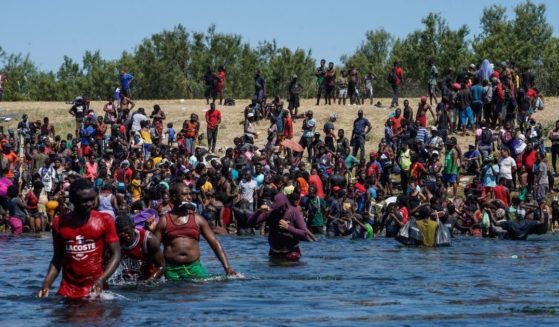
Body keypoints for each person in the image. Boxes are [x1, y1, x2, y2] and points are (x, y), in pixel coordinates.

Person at [37, 178, 121, 299]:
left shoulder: (105, 220)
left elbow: (116, 254)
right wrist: (46, 284)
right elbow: (57, 259)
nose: (90, 204)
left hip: (95, 290)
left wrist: (102, 279)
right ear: (73, 200)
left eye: (92, 199)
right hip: (67, 290)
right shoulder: (59, 223)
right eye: (84, 201)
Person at [154, 183, 236, 279]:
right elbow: (154, 248)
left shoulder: (198, 219)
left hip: (194, 268)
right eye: (185, 194)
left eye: (190, 194)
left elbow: (215, 244)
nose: (189, 197)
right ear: (174, 197)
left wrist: (227, 268)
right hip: (171, 271)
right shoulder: (164, 220)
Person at [248, 192, 316, 261]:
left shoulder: (294, 212)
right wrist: (259, 211)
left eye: (280, 208)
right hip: (274, 253)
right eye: (276, 208)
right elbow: (250, 223)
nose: (279, 210)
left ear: (285, 205)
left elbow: (304, 233)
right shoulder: (271, 212)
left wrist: (288, 227)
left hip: (292, 253)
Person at [115, 214, 165, 281]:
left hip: (149, 278)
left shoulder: (149, 240)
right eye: (121, 233)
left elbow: (161, 266)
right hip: (129, 280)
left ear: (133, 227)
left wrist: (148, 282)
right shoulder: (116, 242)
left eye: (127, 232)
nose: (125, 235)